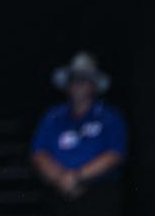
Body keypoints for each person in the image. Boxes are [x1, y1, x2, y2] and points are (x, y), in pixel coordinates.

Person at [31, 52, 127, 216]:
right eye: (74, 79)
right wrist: (61, 178)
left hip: (98, 194)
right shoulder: (53, 116)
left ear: (94, 85)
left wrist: (78, 177)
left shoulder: (110, 117)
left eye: (84, 79)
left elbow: (115, 154)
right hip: (59, 192)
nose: (78, 84)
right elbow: (39, 153)